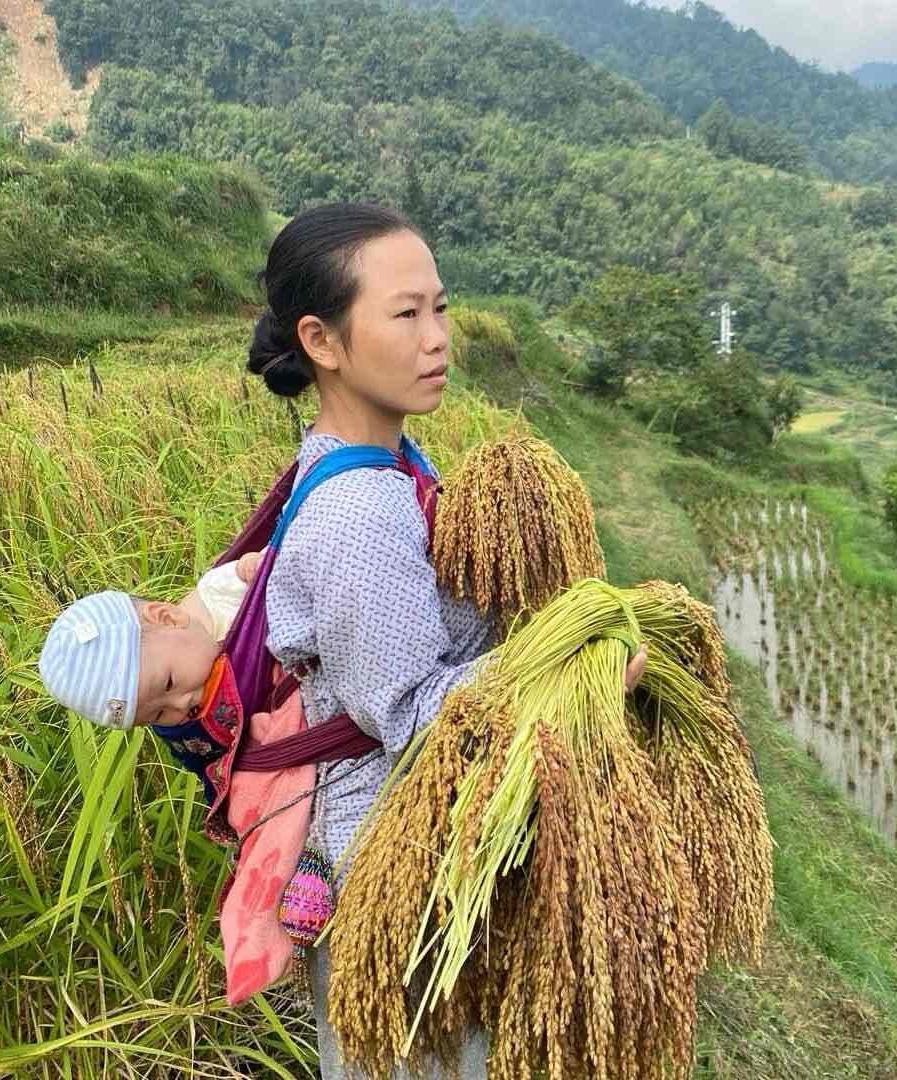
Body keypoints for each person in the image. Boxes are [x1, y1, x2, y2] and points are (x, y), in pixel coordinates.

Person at [247, 203, 645, 1079]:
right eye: (405, 313)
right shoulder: (360, 511)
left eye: (441, 307)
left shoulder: (392, 461)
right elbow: (415, 714)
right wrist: (575, 659)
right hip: (400, 883)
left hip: (431, 857)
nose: (437, 338)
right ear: (322, 339)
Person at [37, 551, 262, 732]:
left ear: (168, 618)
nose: (180, 705)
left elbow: (265, 567)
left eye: (169, 683)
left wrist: (249, 565)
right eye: (158, 715)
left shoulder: (219, 593)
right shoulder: (199, 718)